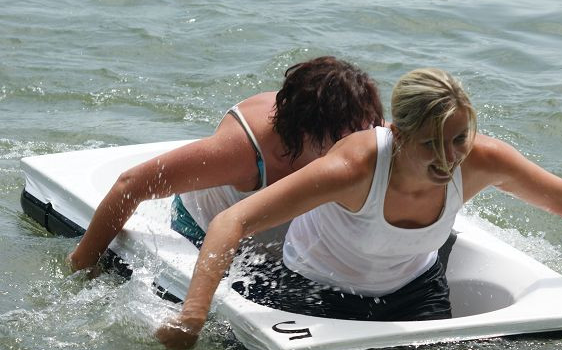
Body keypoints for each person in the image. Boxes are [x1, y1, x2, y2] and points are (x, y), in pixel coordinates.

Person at [157, 68, 562, 350]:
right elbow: (234, 220)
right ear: (398, 135)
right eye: (432, 144)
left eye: (458, 140)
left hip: (412, 289)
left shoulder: (477, 159)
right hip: (314, 289)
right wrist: (193, 318)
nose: (449, 159)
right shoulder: (352, 168)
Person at [67, 56, 384, 271]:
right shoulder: (242, 151)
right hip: (204, 229)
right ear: (307, 131)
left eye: (365, 129)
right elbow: (132, 184)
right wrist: (84, 264)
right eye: (344, 136)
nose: (357, 143)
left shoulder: (363, 126)